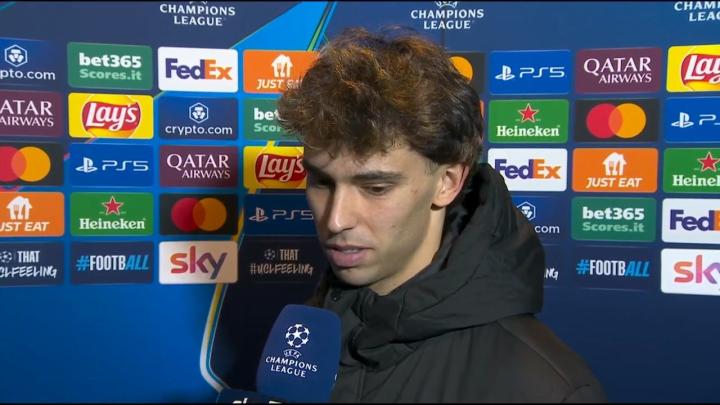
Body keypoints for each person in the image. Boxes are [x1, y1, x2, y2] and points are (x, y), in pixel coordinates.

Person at [276, 26, 606, 403]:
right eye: (321, 182)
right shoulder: (298, 341)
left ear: (447, 182)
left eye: (376, 188)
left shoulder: (546, 389)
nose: (336, 220)